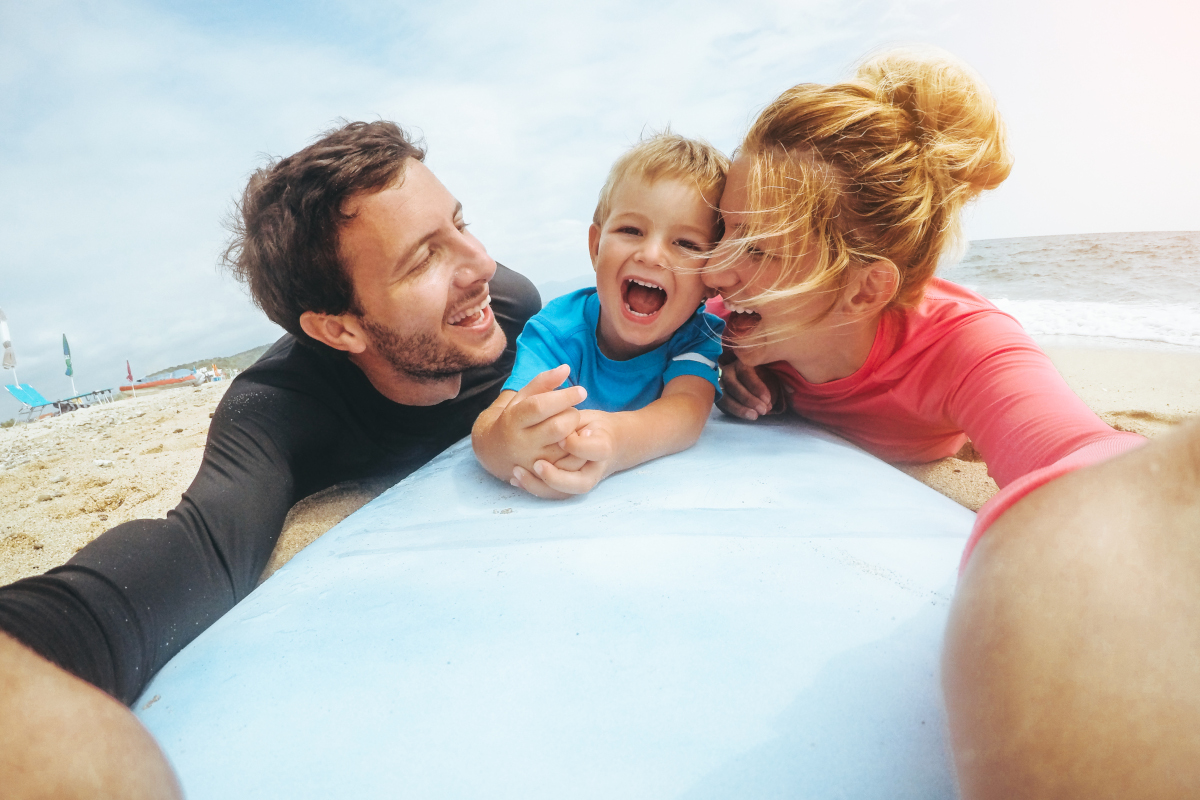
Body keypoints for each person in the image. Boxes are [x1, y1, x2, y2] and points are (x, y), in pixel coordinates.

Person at [703, 47, 1200, 796]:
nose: (714, 272)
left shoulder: (965, 345)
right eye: (721, 232)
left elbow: (1083, 460)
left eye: (757, 250)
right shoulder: (725, 323)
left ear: (863, 292)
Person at [0, 120, 540, 798]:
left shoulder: (513, 309)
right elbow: (196, 548)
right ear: (336, 327)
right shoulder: (278, 408)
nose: (481, 265)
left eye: (461, 224)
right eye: (425, 258)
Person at [472, 133, 726, 498]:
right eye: (631, 230)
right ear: (595, 246)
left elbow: (686, 411)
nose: (652, 255)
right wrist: (507, 445)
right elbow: (491, 425)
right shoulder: (556, 330)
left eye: (686, 243)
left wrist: (616, 442)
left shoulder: (697, 334)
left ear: (711, 279)